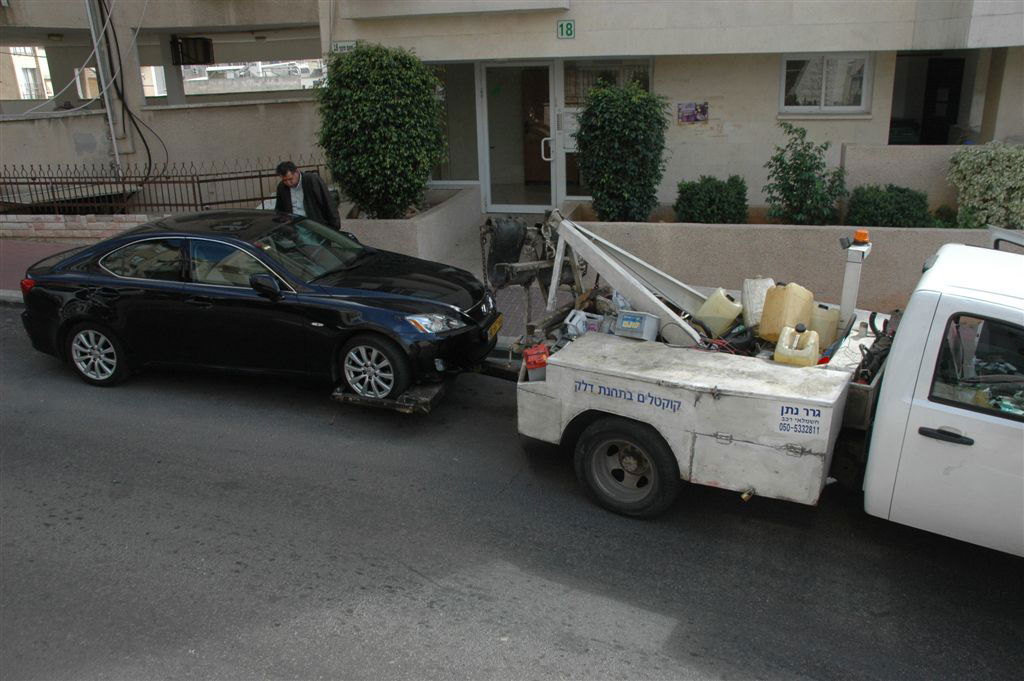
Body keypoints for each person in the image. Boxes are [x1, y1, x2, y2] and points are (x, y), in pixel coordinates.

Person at [273, 161, 341, 230]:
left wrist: (335, 227)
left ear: (297, 172)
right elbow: (280, 210)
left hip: (316, 227)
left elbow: (328, 203)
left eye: (290, 179)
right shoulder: (282, 187)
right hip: (295, 228)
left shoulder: (312, 180)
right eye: (285, 180)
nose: (288, 183)